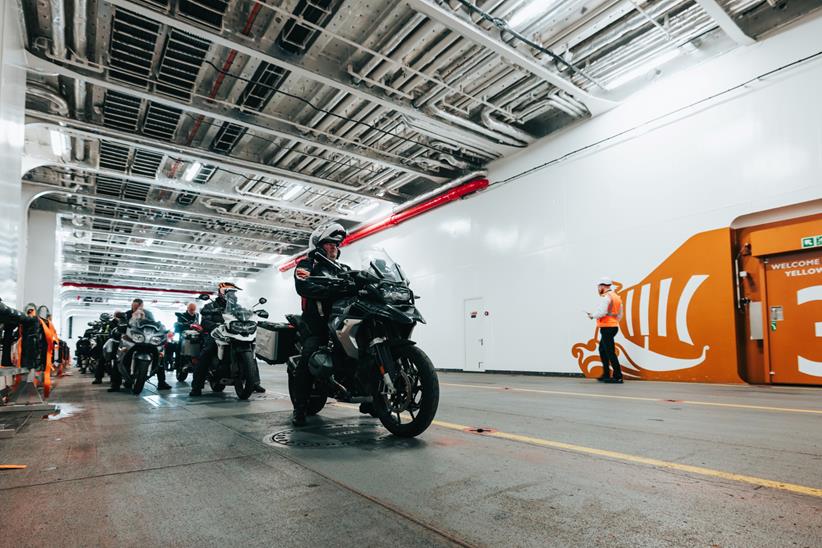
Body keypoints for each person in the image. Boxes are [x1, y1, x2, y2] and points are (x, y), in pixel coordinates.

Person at [291, 222, 357, 426]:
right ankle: (300, 408)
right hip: (316, 323)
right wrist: (332, 291)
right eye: (329, 244)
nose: (334, 248)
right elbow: (303, 285)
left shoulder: (343, 269)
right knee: (308, 356)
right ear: (318, 246)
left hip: (340, 320)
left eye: (336, 245)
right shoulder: (306, 264)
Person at [109, 298, 172, 392]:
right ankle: (115, 384)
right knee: (118, 356)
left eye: (137, 307)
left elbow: (154, 325)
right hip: (131, 338)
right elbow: (122, 324)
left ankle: (161, 382)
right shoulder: (127, 313)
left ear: (142, 305)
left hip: (145, 338)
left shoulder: (148, 314)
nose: (134, 308)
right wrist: (122, 326)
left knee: (159, 356)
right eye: (133, 306)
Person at [587, 277, 624, 384]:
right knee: (603, 350)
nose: (598, 289)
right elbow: (620, 314)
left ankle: (618, 376)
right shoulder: (616, 297)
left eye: (599, 287)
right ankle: (606, 374)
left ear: (603, 286)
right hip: (613, 327)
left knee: (610, 352)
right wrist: (614, 321)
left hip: (607, 328)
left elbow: (601, 312)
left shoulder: (606, 297)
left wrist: (592, 316)